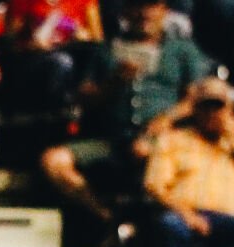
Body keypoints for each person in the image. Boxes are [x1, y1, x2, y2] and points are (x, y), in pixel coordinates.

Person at [40, 0, 210, 231]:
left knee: (146, 151)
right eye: (137, 6)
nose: (143, 13)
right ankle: (106, 216)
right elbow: (84, 99)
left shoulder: (181, 50)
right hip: (113, 139)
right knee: (54, 161)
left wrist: (165, 121)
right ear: (126, 12)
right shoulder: (107, 50)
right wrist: (114, 82)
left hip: (163, 140)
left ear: (163, 11)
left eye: (151, 6)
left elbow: (195, 98)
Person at [142, 77, 234, 247]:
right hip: (183, 213)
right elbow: (155, 186)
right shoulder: (173, 140)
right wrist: (187, 215)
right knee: (171, 226)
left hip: (229, 218)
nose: (211, 113)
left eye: (217, 106)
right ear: (195, 109)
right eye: (205, 106)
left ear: (229, 109)